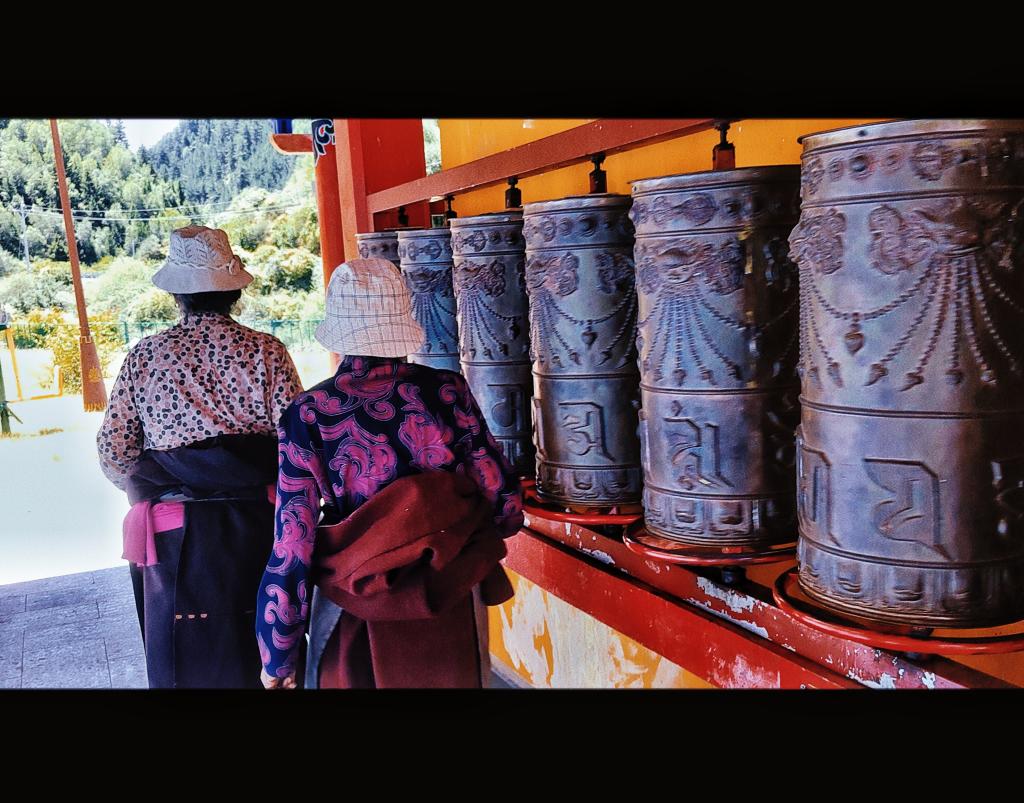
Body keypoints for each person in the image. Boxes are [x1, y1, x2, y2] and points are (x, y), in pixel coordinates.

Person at [256, 257, 523, 689]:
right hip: (450, 588)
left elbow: (293, 541)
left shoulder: (308, 414)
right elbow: (503, 498)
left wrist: (277, 654)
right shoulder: (447, 390)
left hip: (355, 595)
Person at [96, 225, 303, 688]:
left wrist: (159, 479)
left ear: (177, 295)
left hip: (173, 532)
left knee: (184, 658)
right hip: (258, 522)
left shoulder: (146, 357)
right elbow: (296, 442)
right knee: (262, 648)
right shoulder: (267, 351)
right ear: (234, 291)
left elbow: (114, 452)